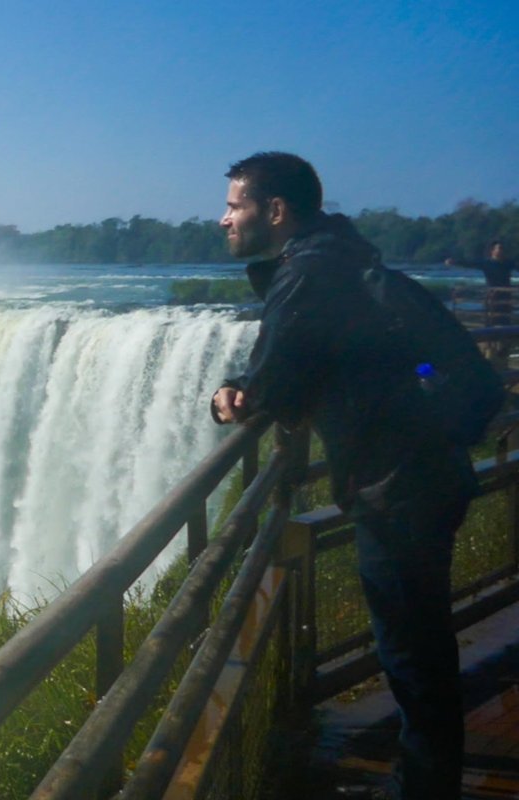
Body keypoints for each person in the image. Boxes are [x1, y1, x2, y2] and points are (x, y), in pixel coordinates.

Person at [210, 152, 477, 799]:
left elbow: (272, 383)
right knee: (422, 644)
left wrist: (229, 396)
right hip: (426, 473)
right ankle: (428, 775)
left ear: (275, 212)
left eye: (234, 205)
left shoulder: (306, 275)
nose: (223, 219)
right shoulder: (343, 257)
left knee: (412, 653)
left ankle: (426, 786)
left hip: (396, 489)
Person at [446, 240, 516, 327]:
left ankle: (505, 335)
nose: (501, 251)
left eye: (503, 249)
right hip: (493, 295)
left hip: (506, 294)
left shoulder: (508, 263)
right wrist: (455, 262)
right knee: (492, 316)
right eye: (499, 248)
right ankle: (491, 335)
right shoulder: (487, 263)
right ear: (492, 251)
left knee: (505, 317)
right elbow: (470, 263)